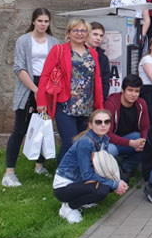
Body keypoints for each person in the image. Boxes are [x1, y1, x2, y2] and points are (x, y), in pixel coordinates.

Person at [3, 8, 59, 187]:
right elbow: (19, 68)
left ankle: (39, 166)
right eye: (40, 21)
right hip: (28, 85)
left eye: (46, 21)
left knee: (43, 126)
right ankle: (9, 173)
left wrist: (46, 90)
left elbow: (56, 68)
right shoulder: (24, 40)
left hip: (47, 85)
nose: (43, 24)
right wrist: (35, 89)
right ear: (33, 21)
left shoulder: (54, 42)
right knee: (20, 129)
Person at [36, 19, 104, 163]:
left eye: (83, 30)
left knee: (82, 144)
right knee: (69, 143)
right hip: (65, 105)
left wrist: (99, 107)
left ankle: (76, 173)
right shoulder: (59, 50)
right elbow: (45, 75)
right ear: (69, 33)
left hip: (86, 107)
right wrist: (41, 101)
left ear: (87, 34)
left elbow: (97, 80)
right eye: (76, 30)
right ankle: (61, 174)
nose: (79, 33)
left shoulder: (93, 53)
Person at [53, 110, 129, 223]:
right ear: (90, 124)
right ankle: (69, 206)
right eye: (98, 122)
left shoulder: (104, 139)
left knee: (123, 179)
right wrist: (114, 184)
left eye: (106, 122)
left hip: (81, 181)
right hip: (65, 187)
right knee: (102, 190)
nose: (103, 125)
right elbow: (87, 175)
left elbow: (100, 168)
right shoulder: (85, 143)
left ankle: (84, 199)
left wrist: (117, 182)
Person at [104, 74, 149, 176]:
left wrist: (143, 140)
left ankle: (126, 168)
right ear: (122, 90)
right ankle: (110, 173)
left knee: (148, 143)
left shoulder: (141, 104)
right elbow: (107, 134)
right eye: (130, 90)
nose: (133, 94)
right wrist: (130, 143)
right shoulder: (111, 104)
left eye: (136, 91)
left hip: (130, 139)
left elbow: (145, 127)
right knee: (110, 150)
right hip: (111, 142)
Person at [87, 22, 111, 101]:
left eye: (101, 36)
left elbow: (105, 82)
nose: (98, 38)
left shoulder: (103, 58)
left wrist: (102, 100)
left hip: (96, 100)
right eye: (95, 34)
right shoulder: (76, 54)